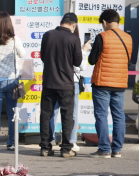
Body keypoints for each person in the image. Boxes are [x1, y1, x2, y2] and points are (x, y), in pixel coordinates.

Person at [88, 9, 132, 158]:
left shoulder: (102, 37)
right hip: (119, 83)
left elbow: (92, 60)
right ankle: (117, 149)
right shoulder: (128, 38)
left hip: (102, 84)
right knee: (118, 116)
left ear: (105, 22)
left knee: (101, 116)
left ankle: (105, 149)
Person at [39, 12, 83, 157]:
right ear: (74, 24)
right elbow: (77, 62)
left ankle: (45, 147)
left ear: (61, 22)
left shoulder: (48, 35)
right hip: (66, 84)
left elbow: (43, 57)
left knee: (46, 115)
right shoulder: (73, 38)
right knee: (67, 117)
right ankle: (65, 149)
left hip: (49, 82)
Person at [50, 24, 88, 153]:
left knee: (52, 112)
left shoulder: (53, 39)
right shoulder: (74, 40)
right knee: (71, 113)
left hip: (53, 80)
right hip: (71, 82)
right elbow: (80, 66)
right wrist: (84, 51)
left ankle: (50, 139)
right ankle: (70, 141)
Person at [0, 11, 26, 151]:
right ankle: (11, 143)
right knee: (12, 113)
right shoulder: (14, 40)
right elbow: (22, 54)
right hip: (12, 81)